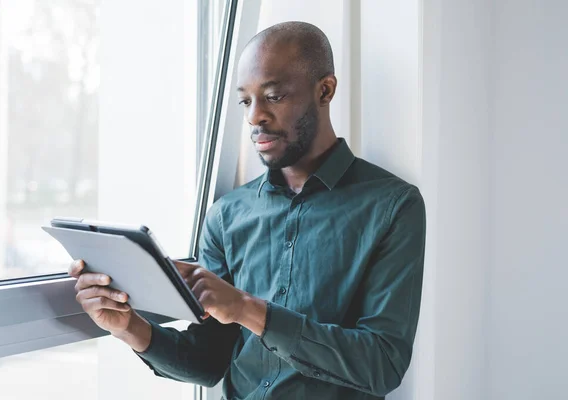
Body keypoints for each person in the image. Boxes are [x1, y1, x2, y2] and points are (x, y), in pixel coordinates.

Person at [69, 21, 426, 400]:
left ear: (325, 90)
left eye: (273, 96)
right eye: (245, 101)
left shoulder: (392, 206)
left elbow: (382, 364)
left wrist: (247, 309)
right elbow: (208, 362)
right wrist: (128, 327)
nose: (255, 117)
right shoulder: (227, 216)